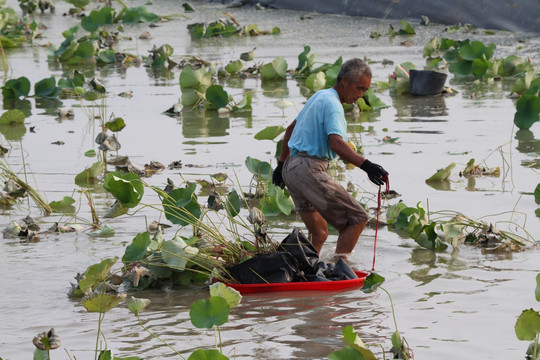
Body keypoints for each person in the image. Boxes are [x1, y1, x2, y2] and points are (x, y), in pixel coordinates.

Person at [272, 58, 388, 262]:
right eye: (359, 88)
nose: (361, 95)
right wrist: (366, 165)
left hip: (292, 169)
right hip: (308, 168)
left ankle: (304, 270)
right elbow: (335, 142)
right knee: (357, 218)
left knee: (320, 233)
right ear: (344, 80)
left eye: (365, 90)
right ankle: (338, 269)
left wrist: (281, 164)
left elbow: (290, 129)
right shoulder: (334, 105)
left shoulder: (320, 95)